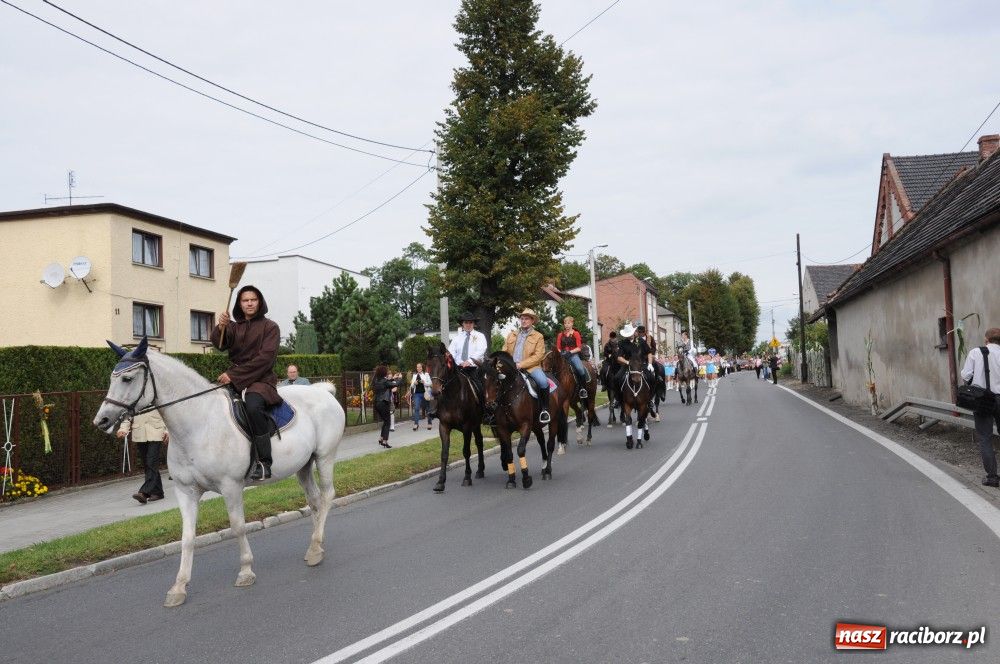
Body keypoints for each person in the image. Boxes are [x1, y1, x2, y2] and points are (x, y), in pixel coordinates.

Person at [211, 285, 281, 481]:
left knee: (253, 407)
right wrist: (221, 326)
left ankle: (264, 463)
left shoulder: (271, 327)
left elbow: (265, 359)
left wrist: (235, 375)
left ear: (260, 302)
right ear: (239, 304)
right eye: (245, 300)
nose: (249, 303)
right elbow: (219, 344)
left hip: (261, 380)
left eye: (253, 299)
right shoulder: (234, 327)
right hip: (235, 378)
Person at [960, 328, 1000, 487]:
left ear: (986, 340)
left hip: (983, 399)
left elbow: (965, 375)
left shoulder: (976, 352)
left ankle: (992, 477)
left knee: (985, 437)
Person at [503, 308, 550, 423]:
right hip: (511, 368)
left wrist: (521, 364)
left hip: (531, 367)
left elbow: (539, 355)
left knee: (543, 382)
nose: (523, 321)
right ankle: (495, 412)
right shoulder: (512, 335)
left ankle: (544, 410)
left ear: (532, 321)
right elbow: (504, 351)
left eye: (526, 319)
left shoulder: (538, 336)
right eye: (522, 318)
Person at [118, 409, 169, 504]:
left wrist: (167, 430)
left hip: (156, 431)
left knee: (151, 461)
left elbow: (165, 412)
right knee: (148, 464)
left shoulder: (155, 394)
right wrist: (123, 428)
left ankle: (144, 493)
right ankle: (158, 492)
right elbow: (128, 415)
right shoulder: (135, 398)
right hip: (139, 433)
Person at [448, 311, 490, 405]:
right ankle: (438, 409)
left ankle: (485, 409)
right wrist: (459, 362)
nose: (468, 324)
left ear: (474, 324)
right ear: (462, 324)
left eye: (470, 322)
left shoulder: (480, 336)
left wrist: (469, 361)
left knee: (480, 388)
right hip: (459, 369)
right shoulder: (457, 338)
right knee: (446, 385)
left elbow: (481, 351)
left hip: (474, 369)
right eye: (466, 322)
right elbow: (451, 353)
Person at [556, 316, 589, 398]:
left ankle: (583, 389)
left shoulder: (576, 334)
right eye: (565, 323)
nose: (566, 325)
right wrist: (562, 353)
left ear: (572, 324)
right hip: (563, 356)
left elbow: (579, 347)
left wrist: (570, 352)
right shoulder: (560, 335)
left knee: (580, 369)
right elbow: (558, 347)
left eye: (568, 323)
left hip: (573, 355)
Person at [372, 365, 402, 448]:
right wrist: (399, 378)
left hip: (376, 403)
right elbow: (395, 384)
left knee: (385, 421)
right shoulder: (385, 382)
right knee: (388, 422)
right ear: (384, 373)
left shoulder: (375, 380)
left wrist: (393, 378)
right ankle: (385, 441)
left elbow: (387, 382)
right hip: (383, 403)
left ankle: (381, 438)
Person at [409, 363, 433, 431]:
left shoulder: (426, 374)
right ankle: (416, 424)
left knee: (427, 408)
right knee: (416, 408)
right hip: (417, 394)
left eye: (420, 367)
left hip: (425, 393)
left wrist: (424, 382)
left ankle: (429, 423)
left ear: (422, 368)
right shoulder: (414, 375)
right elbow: (412, 386)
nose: (418, 368)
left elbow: (430, 383)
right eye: (417, 367)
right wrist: (414, 384)